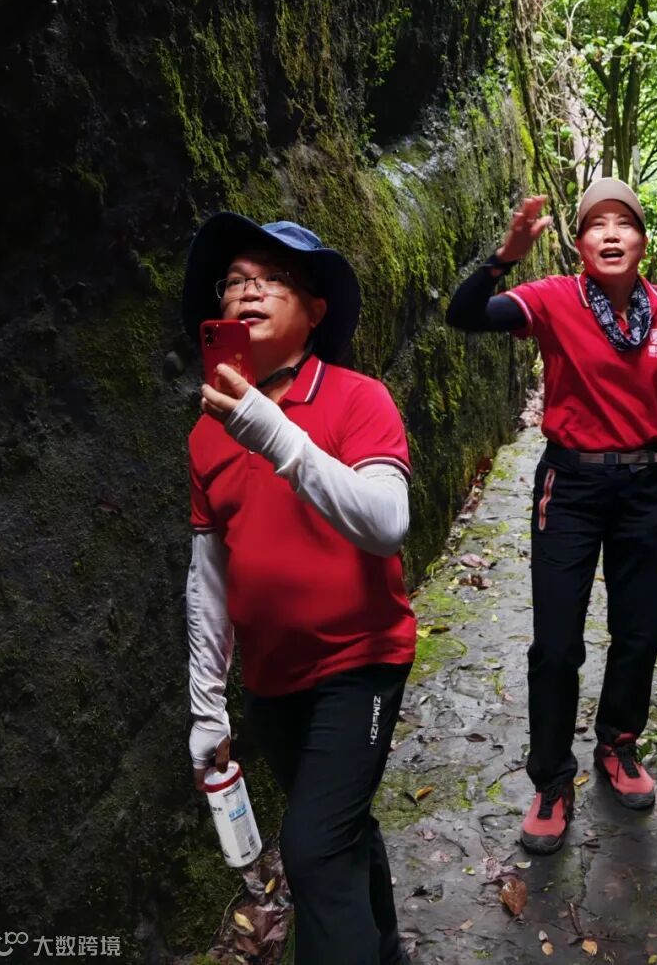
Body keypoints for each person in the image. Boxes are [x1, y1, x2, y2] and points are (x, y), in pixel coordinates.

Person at [446, 179, 657, 854]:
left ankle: (618, 743)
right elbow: (465, 315)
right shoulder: (551, 299)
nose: (610, 233)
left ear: (642, 241)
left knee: (639, 632)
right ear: (579, 244)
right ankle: (551, 779)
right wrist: (504, 256)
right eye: (595, 224)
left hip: (643, 487)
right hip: (570, 485)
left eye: (623, 223)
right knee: (556, 643)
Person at [182, 212, 415, 965]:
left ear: (315, 310)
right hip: (272, 681)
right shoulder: (205, 434)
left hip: (361, 661)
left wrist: (273, 431)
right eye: (234, 282)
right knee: (341, 829)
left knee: (312, 847)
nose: (247, 291)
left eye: (271, 278)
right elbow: (208, 575)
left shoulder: (359, 398)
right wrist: (207, 706)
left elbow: (386, 522)